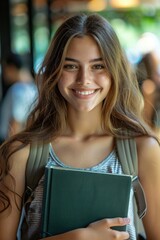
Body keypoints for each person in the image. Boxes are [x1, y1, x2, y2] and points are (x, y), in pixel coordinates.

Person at [0, 13, 160, 240]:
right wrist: (77, 238)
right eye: (71, 66)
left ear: (115, 72)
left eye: (98, 66)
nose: (84, 79)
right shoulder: (21, 153)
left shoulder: (142, 148)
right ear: (54, 71)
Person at [0, 53, 37, 144]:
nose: (4, 74)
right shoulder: (33, 88)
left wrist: (8, 150)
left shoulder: (19, 90)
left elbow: (15, 124)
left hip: (9, 142)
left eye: (5, 69)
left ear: (11, 68)